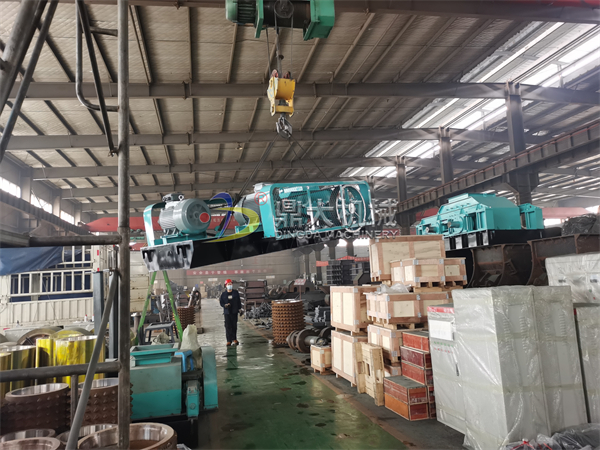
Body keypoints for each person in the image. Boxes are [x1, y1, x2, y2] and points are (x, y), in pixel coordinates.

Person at [219, 279, 241, 346]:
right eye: (228, 284)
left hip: (234, 312)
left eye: (231, 284)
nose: (230, 285)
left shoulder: (235, 293)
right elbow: (221, 303)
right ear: (226, 285)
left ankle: (234, 339)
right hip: (227, 312)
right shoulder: (223, 294)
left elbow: (239, 301)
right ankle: (229, 340)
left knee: (234, 326)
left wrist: (240, 309)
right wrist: (225, 305)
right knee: (228, 326)